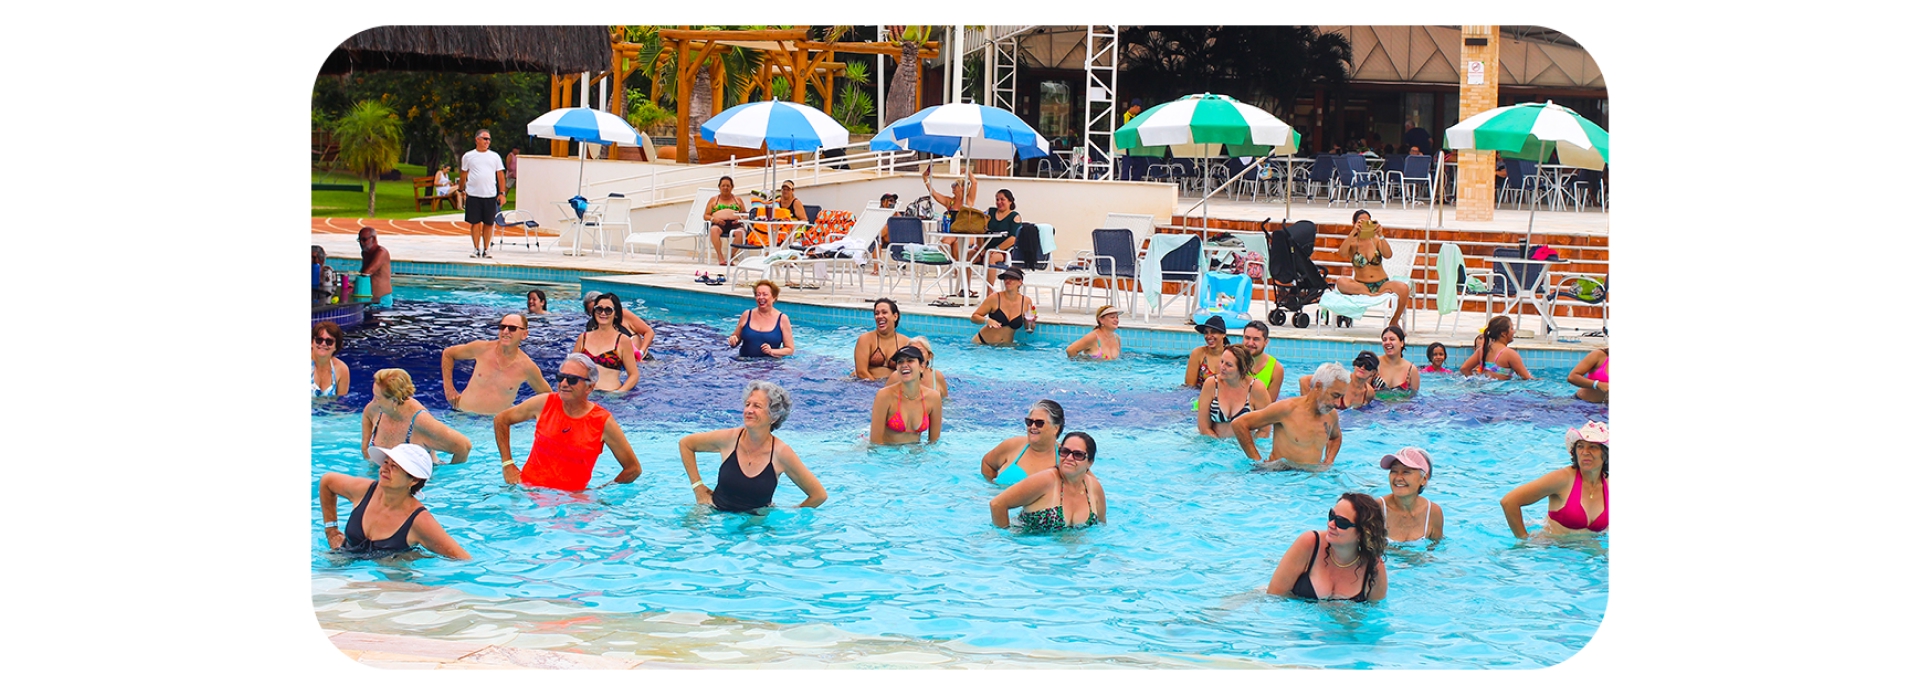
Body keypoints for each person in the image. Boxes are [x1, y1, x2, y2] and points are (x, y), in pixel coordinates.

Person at [493, 354, 644, 492]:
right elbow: (501, 419)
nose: (564, 383)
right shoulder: (544, 403)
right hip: (528, 492)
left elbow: (633, 469)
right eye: (561, 377)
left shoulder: (603, 421)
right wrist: (508, 465)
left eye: (572, 379)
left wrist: (599, 493)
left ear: (590, 387)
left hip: (571, 505)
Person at [680, 380, 828, 511]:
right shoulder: (729, 438)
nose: (749, 410)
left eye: (757, 406)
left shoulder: (781, 453)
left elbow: (818, 495)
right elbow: (686, 444)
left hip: (754, 528)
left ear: (774, 416)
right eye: (747, 404)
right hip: (714, 513)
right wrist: (698, 487)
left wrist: (782, 516)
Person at [318, 443, 470, 559]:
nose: (384, 469)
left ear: (413, 480)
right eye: (386, 462)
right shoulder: (364, 490)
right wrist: (331, 531)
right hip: (345, 560)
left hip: (391, 580)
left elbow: (462, 559)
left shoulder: (419, 521)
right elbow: (327, 482)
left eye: (394, 467)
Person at [1264, 492, 1388, 601]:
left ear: (1362, 533)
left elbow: (1375, 615)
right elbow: (1274, 596)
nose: (1331, 524)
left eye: (1341, 522)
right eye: (1331, 516)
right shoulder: (1310, 544)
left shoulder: (1374, 568)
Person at [1500, 421, 1609, 537]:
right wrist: (1523, 540)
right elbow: (1509, 501)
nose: (1585, 452)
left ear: (1606, 453)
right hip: (1552, 549)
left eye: (1593, 447)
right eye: (1580, 446)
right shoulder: (1562, 479)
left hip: (1591, 552)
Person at [1234, 362, 1346, 471]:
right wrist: (1257, 461)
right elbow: (1239, 424)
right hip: (1280, 477)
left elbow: (1336, 437)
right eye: (1335, 395)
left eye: (1341, 397)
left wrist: (1328, 461)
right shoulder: (1287, 409)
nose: (1337, 403)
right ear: (1318, 386)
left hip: (1311, 479)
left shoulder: (1331, 415)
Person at [991, 431, 1106, 531]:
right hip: (1029, 550)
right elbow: (997, 504)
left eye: (1078, 455)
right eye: (1065, 451)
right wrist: (1005, 541)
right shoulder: (1045, 480)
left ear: (1090, 462)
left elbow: (1101, 527)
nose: (1069, 458)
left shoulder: (1094, 488)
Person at [441, 313, 551, 415]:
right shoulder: (481, 349)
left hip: (493, 424)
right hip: (462, 415)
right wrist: (449, 389)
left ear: (524, 334)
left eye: (512, 328)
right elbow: (448, 354)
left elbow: (549, 397)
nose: (506, 331)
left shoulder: (527, 367)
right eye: (503, 327)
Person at [361, 368, 471, 464]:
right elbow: (366, 450)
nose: (373, 401)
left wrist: (447, 479)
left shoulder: (420, 421)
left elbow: (464, 447)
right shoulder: (373, 409)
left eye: (377, 397)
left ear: (394, 400)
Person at [1330, 210, 1412, 328]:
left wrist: (1381, 235)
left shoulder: (1376, 240)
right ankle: (1371, 295)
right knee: (1341, 282)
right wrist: (1353, 232)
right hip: (1361, 285)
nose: (1364, 225)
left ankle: (1394, 321)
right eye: (1361, 222)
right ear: (1354, 223)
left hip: (1382, 283)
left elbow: (1388, 255)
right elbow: (1341, 253)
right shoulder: (1352, 243)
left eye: (1368, 222)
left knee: (1404, 288)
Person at [869, 345, 943, 445]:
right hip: (887, 454)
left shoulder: (933, 397)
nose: (904, 365)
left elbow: (934, 443)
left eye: (910, 360)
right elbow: (875, 444)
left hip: (914, 455)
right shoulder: (885, 395)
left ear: (922, 367)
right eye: (900, 362)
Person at [980, 400, 1066, 485]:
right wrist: (991, 488)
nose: (1033, 426)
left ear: (1056, 428)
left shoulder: (1066, 458)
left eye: (1039, 423)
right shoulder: (1013, 446)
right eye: (1029, 422)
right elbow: (987, 463)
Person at [1198, 344, 1274, 439]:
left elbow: (1265, 430)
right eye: (1222, 361)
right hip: (1212, 443)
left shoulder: (1256, 388)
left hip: (1242, 447)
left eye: (1228, 365)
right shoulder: (1212, 384)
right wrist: (1216, 447)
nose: (1222, 367)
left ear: (1242, 369)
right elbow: (1203, 427)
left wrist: (1247, 448)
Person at [574, 293, 640, 393]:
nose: (603, 313)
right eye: (599, 309)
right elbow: (570, 368)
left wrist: (619, 393)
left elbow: (634, 375)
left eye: (608, 310)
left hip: (610, 396)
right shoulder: (583, 338)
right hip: (585, 395)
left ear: (616, 314)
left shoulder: (623, 340)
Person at [1378, 447, 1443, 543]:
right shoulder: (1376, 510)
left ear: (1424, 479)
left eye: (1406, 472)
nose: (1398, 478)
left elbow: (1436, 550)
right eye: (1394, 471)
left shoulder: (1433, 513)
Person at [459, 129, 507, 258]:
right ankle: (476, 248)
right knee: (475, 223)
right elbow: (463, 173)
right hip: (474, 194)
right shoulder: (468, 156)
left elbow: (500, 176)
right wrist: (461, 189)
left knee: (489, 223)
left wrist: (502, 193)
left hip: (489, 194)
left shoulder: (494, 156)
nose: (487, 142)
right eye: (485, 139)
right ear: (477, 139)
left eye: (489, 139)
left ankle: (486, 249)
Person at [728, 280, 795, 358]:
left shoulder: (782, 319)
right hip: (744, 364)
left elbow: (790, 350)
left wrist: (772, 351)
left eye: (765, 294)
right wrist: (733, 340)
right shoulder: (747, 315)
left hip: (770, 365)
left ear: (774, 297)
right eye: (758, 294)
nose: (760, 297)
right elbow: (736, 337)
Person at [971, 268, 1036, 346]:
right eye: (1006, 278)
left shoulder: (1026, 301)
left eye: (1012, 278)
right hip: (982, 344)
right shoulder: (994, 298)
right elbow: (974, 317)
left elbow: (1029, 330)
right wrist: (987, 320)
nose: (1008, 280)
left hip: (1005, 347)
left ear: (1020, 282)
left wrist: (1031, 322)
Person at [1459, 316, 1533, 380]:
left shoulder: (1482, 350)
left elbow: (1464, 369)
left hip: (1482, 391)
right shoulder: (1510, 354)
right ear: (1503, 333)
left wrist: (1474, 382)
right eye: (1511, 328)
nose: (1514, 331)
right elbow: (1527, 378)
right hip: (1500, 394)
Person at [853, 298, 908, 380]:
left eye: (884, 312)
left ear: (895, 316)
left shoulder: (906, 342)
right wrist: (878, 389)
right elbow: (861, 372)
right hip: (865, 384)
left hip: (891, 387)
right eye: (876, 313)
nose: (879, 316)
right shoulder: (866, 339)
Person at [704, 175, 749, 265]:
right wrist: (714, 219)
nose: (725, 188)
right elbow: (706, 215)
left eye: (728, 186)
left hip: (735, 223)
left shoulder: (738, 200)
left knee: (741, 233)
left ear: (732, 187)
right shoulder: (713, 200)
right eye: (723, 186)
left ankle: (730, 256)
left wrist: (741, 220)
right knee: (714, 230)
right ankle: (720, 256)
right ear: (719, 187)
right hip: (719, 223)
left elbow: (745, 214)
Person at [973, 189, 1021, 264]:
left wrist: (996, 249)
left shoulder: (1014, 217)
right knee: (969, 255)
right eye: (997, 199)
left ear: (1010, 201)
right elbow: (980, 230)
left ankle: (990, 275)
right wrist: (981, 248)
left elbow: (1013, 238)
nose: (999, 202)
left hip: (1003, 250)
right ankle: (963, 275)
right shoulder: (990, 212)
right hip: (984, 248)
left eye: (1002, 199)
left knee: (990, 258)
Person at [1184, 316, 1233, 387]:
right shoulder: (1198, 353)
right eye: (1206, 332)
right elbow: (1189, 386)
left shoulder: (1232, 356)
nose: (1209, 336)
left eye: (1213, 332)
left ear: (1223, 334)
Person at [1240, 320, 1283, 400]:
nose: (1250, 343)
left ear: (1266, 342)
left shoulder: (1276, 369)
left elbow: (1269, 406)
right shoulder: (1234, 361)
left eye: (1256, 339)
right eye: (1247, 338)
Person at [1375, 327, 1421, 397]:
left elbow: (1414, 399)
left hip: (1401, 406)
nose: (1387, 342)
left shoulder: (1411, 370)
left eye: (1392, 339)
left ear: (1401, 343)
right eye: (1384, 340)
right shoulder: (1374, 363)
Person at [312, 321, 351, 398]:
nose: (323, 344)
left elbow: (340, 403)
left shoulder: (341, 369)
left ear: (336, 346)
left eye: (329, 341)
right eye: (319, 340)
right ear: (311, 342)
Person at [356, 226, 393, 308]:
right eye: (359, 240)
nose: (361, 243)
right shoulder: (365, 253)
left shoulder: (381, 252)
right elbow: (363, 274)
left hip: (382, 300)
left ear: (374, 239)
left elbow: (368, 272)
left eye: (364, 240)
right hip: (370, 300)